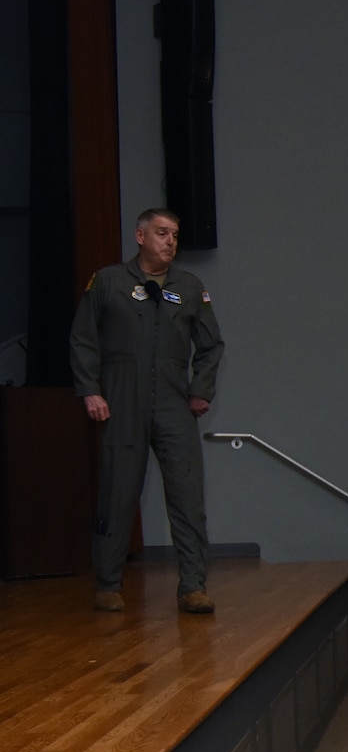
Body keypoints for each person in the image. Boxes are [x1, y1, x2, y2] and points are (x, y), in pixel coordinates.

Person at [71, 207, 225, 614]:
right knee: (118, 494)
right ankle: (108, 583)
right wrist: (90, 390)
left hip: (173, 402)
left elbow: (211, 346)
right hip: (121, 400)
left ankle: (193, 586)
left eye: (174, 234)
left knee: (187, 496)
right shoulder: (108, 282)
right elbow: (83, 339)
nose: (170, 241)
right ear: (140, 237)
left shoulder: (190, 287)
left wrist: (200, 390)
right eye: (162, 233)